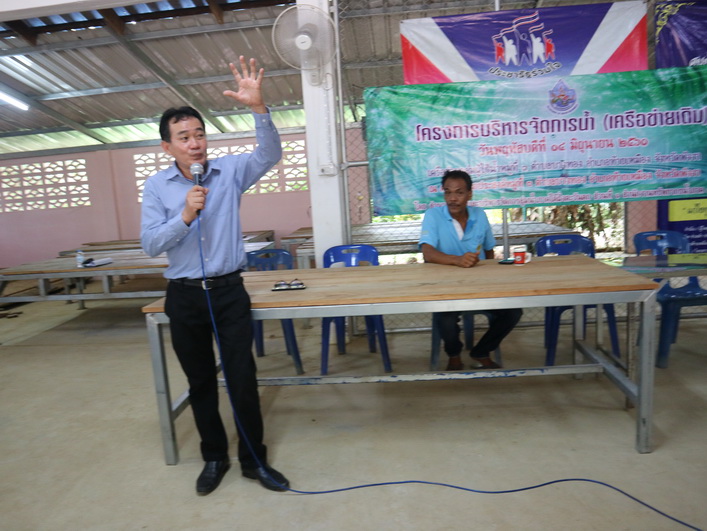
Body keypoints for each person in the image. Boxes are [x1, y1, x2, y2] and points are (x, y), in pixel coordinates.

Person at [141, 56, 289, 496]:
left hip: (228, 292)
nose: (195, 144)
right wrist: (185, 215)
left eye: (199, 134)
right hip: (184, 296)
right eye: (184, 137)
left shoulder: (230, 172)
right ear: (167, 147)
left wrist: (259, 109)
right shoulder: (157, 187)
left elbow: (270, 154)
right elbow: (151, 244)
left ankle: (254, 460)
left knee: (242, 378)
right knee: (201, 380)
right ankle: (213, 457)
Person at [419, 170, 522, 370]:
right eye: (448, 192)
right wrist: (457, 260)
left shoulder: (479, 215)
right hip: (445, 287)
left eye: (459, 193)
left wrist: (489, 279)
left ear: (469, 194)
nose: (452, 198)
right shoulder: (433, 216)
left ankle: (481, 351)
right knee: (445, 317)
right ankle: (454, 355)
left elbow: (489, 250)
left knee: (513, 312)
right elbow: (427, 253)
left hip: (480, 287)